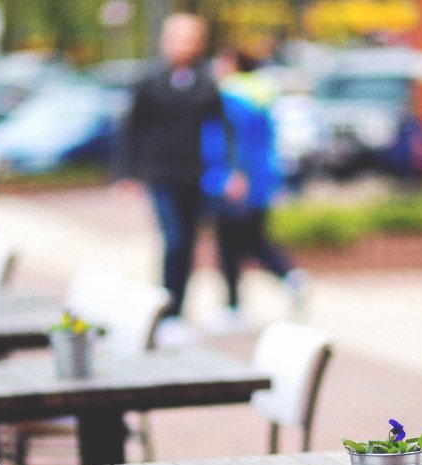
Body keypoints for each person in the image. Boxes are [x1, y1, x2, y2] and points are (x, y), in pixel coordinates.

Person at [114, 13, 239, 345]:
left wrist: (231, 170)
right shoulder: (149, 81)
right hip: (162, 175)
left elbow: (223, 129)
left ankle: (179, 310)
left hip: (195, 176)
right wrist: (126, 173)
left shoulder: (206, 82)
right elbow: (131, 129)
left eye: (191, 39)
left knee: (190, 244)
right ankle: (167, 313)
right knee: (175, 240)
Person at [201, 48, 308, 334]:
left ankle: (234, 307)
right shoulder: (264, 93)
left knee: (229, 246)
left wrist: (231, 176)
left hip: (235, 183)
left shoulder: (230, 98)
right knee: (255, 241)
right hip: (261, 181)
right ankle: (291, 278)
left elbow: (229, 141)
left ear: (233, 64)